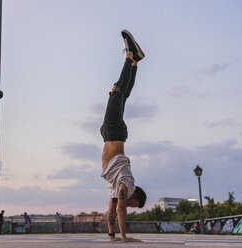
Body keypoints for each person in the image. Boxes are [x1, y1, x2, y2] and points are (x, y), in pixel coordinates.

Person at [100, 29, 147, 242]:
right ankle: (131, 56)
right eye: (133, 204)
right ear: (134, 195)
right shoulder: (126, 184)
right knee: (117, 91)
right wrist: (125, 238)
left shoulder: (118, 189)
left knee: (122, 95)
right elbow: (120, 209)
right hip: (114, 132)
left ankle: (135, 62)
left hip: (111, 134)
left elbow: (111, 213)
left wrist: (112, 237)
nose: (129, 205)